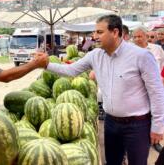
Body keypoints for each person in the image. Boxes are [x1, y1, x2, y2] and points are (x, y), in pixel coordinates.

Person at [36, 14, 164, 165]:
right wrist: (46, 65)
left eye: (99, 32)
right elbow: (71, 70)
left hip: (137, 125)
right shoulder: (95, 55)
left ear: (115, 32)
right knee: (112, 162)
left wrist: (158, 125)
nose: (94, 36)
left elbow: (156, 92)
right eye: (94, 32)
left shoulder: (141, 56)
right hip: (111, 123)